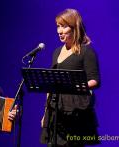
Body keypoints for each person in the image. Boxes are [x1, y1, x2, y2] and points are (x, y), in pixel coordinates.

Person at [40, 9, 101, 147]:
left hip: (75, 112)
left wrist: (73, 86)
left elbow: (95, 80)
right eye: (58, 26)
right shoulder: (56, 52)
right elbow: (52, 85)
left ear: (75, 28)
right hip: (56, 111)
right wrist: (45, 112)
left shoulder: (86, 51)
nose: (59, 31)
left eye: (64, 26)